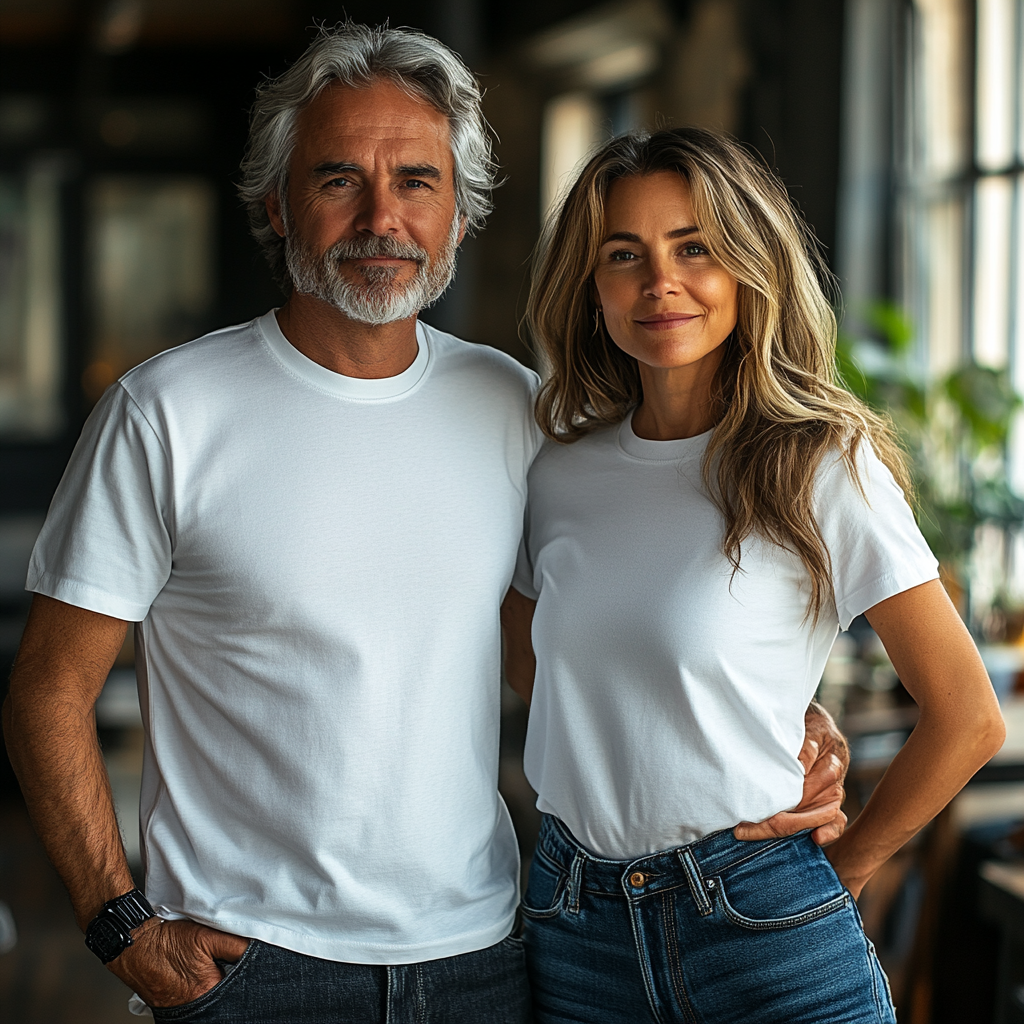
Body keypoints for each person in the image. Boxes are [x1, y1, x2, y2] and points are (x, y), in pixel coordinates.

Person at [3, 27, 847, 1024]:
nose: (380, 217)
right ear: (276, 205)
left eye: (415, 181)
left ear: (457, 214)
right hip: (248, 965)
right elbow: (48, 691)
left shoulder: (514, 407)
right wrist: (119, 923)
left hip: (484, 958)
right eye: (336, 181)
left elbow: (567, 648)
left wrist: (771, 719)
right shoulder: (166, 411)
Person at [502, 127, 1006, 1024]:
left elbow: (967, 714)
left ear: (750, 265)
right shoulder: (557, 470)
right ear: (592, 287)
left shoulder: (820, 461)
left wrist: (841, 871)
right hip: (575, 924)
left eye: (694, 247)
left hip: (759, 920)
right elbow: (529, 649)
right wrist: (731, 708)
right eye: (626, 254)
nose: (661, 281)